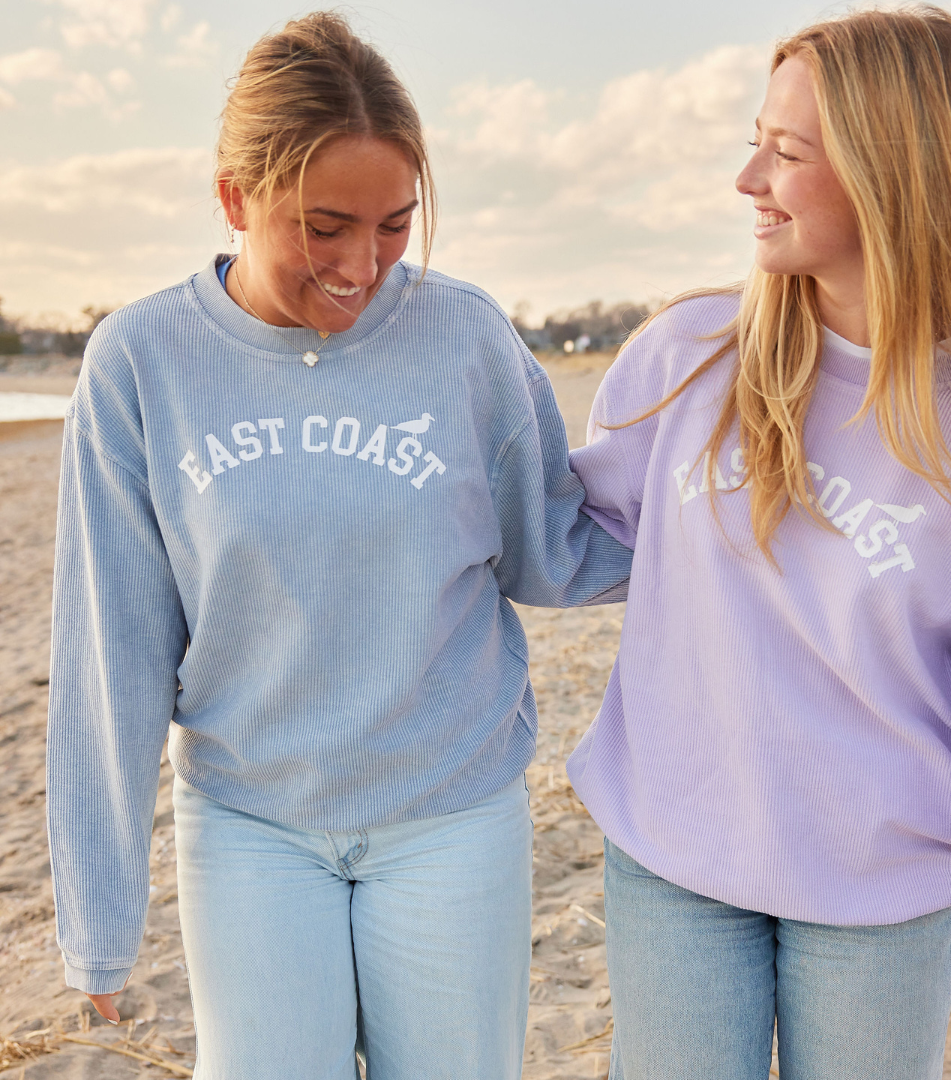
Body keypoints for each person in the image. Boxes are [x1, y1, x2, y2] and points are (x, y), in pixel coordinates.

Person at [46, 13, 631, 1080]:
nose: (363, 266)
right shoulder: (141, 362)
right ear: (234, 196)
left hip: (451, 810)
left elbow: (549, 545)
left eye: (395, 225)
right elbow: (110, 649)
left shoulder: (465, 338)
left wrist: (721, 514)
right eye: (324, 227)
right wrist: (99, 912)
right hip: (250, 822)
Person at [567, 7, 951, 1079]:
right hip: (675, 853)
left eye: (788, 153)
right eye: (755, 141)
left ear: (899, 180)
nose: (747, 178)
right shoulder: (687, 356)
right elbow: (570, 541)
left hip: (881, 888)